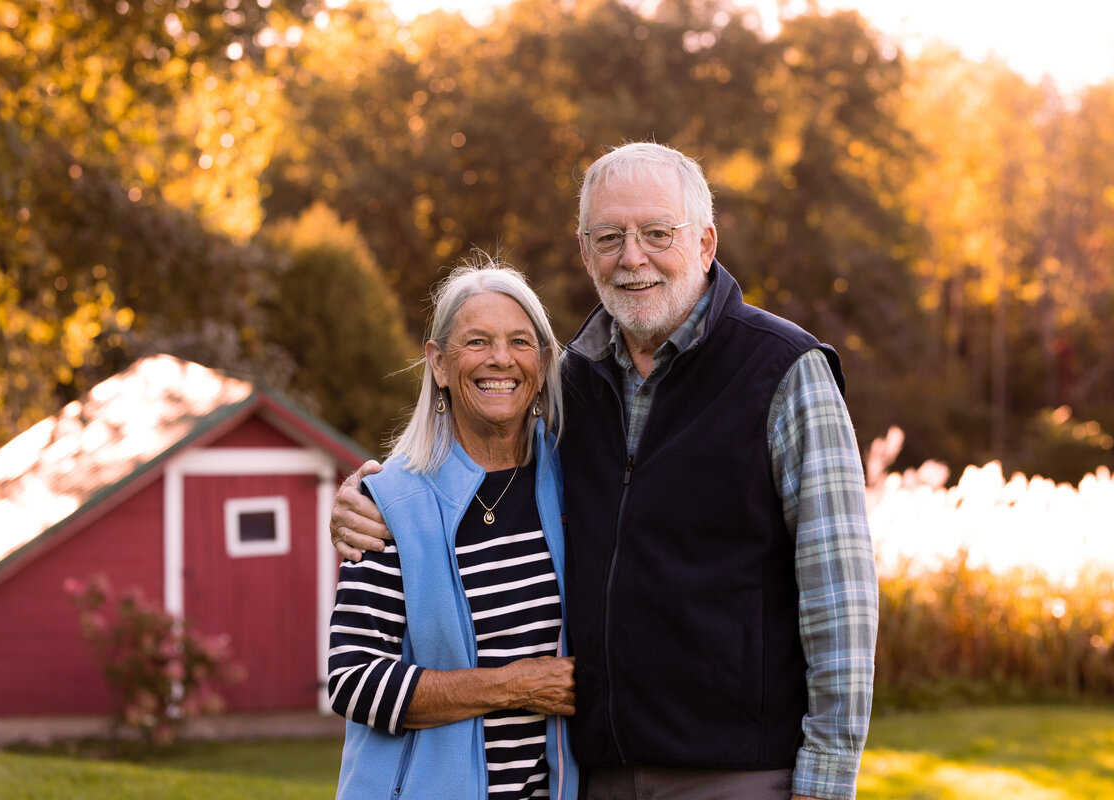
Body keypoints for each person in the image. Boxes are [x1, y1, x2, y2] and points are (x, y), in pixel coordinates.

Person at [332, 143, 879, 800]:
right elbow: (473, 456)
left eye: (656, 234)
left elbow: (840, 600)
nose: (632, 257)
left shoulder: (784, 372)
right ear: (586, 253)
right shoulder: (572, 387)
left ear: (705, 242)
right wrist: (368, 497)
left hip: (736, 775)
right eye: (610, 238)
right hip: (593, 777)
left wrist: (825, 784)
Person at [328, 259, 579, 800]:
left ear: (542, 361)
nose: (500, 359)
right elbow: (353, 681)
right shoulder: (392, 502)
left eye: (519, 341)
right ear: (438, 363)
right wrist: (515, 686)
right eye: (477, 342)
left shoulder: (576, 484)